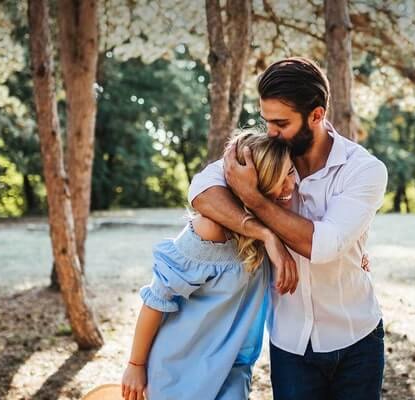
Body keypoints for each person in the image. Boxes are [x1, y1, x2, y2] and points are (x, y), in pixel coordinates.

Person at [189, 57, 388, 399]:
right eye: (266, 121)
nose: (271, 133)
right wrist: (265, 234)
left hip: (357, 341)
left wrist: (254, 197)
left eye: (281, 123)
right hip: (290, 345)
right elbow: (201, 192)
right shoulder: (264, 154)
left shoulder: (364, 170)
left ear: (317, 115)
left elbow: (323, 245)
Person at [120, 130, 295, 400]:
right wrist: (135, 365)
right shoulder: (210, 228)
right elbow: (156, 299)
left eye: (291, 172)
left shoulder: (275, 221)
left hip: (233, 372)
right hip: (180, 371)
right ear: (255, 185)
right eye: (280, 178)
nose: (290, 186)